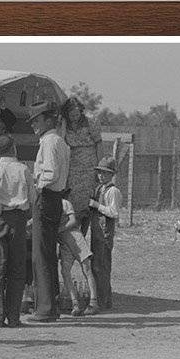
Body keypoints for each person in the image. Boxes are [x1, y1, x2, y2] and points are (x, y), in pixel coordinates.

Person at [0, 133, 33, 328]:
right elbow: (32, 196)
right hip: (18, 219)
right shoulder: (23, 169)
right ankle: (14, 317)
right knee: (17, 269)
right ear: (14, 148)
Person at [28, 99, 70, 322]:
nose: (33, 125)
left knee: (41, 254)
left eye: (36, 120)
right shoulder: (60, 141)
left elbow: (51, 173)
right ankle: (50, 305)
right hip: (56, 199)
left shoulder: (49, 142)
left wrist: (37, 183)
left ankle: (44, 308)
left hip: (46, 197)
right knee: (48, 253)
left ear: (47, 120)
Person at [61, 96, 102, 224]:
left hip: (90, 166)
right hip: (73, 167)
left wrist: (99, 168)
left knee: (88, 201)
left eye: (77, 113)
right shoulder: (64, 125)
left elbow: (99, 144)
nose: (74, 117)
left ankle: (83, 228)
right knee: (73, 199)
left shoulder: (91, 122)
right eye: (71, 114)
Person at [89, 155, 123, 311]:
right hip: (97, 234)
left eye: (105, 173)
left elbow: (114, 212)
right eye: (100, 173)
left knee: (102, 267)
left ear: (112, 175)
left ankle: (103, 301)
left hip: (105, 235)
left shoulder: (113, 191)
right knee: (97, 266)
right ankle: (102, 299)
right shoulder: (99, 189)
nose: (101, 176)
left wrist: (96, 205)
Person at [57, 197, 99, 316]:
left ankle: (93, 302)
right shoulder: (51, 205)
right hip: (64, 242)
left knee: (86, 268)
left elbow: (73, 221)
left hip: (75, 238)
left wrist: (59, 230)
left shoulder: (65, 203)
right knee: (65, 272)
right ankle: (75, 303)